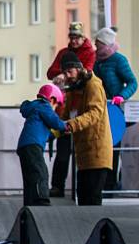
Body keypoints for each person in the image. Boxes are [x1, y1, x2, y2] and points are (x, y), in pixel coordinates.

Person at [47, 21, 96, 197]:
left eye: (77, 37)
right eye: (72, 37)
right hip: (65, 107)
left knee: (84, 149)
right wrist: (60, 74)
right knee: (63, 149)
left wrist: (66, 76)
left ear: (83, 37)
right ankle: (58, 186)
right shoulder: (63, 53)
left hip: (81, 107)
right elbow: (50, 72)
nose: (74, 41)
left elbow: (87, 74)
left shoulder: (90, 53)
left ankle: (83, 187)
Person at [59, 51, 112, 205]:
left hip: (96, 152)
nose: (67, 75)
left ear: (79, 68)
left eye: (69, 71)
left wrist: (71, 124)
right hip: (83, 155)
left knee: (92, 201)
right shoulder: (74, 89)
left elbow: (95, 113)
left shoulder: (93, 85)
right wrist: (54, 128)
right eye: (64, 72)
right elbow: (66, 116)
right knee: (83, 201)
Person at [92, 26, 137, 193]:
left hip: (116, 110)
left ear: (107, 45)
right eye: (96, 45)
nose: (97, 48)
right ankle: (102, 182)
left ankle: (111, 183)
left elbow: (133, 82)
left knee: (113, 146)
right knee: (101, 146)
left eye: (99, 45)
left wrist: (121, 96)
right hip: (100, 108)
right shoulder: (97, 62)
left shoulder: (119, 60)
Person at [17, 84, 67, 206]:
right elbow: (55, 122)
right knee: (41, 171)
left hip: (25, 146)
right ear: (52, 99)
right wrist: (66, 126)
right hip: (33, 145)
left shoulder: (35, 109)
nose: (55, 109)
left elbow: (46, 135)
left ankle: (30, 202)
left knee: (30, 176)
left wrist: (57, 134)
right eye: (56, 105)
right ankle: (41, 199)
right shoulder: (44, 106)